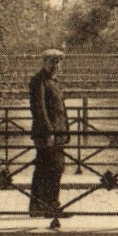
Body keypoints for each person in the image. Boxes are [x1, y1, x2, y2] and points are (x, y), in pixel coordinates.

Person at [28, 48, 70, 218]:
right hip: (47, 134)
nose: (56, 65)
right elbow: (39, 109)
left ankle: (45, 206)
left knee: (51, 169)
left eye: (58, 62)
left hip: (57, 134)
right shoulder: (38, 81)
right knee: (48, 169)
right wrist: (49, 132)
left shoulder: (53, 82)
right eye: (53, 61)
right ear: (44, 62)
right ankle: (46, 206)